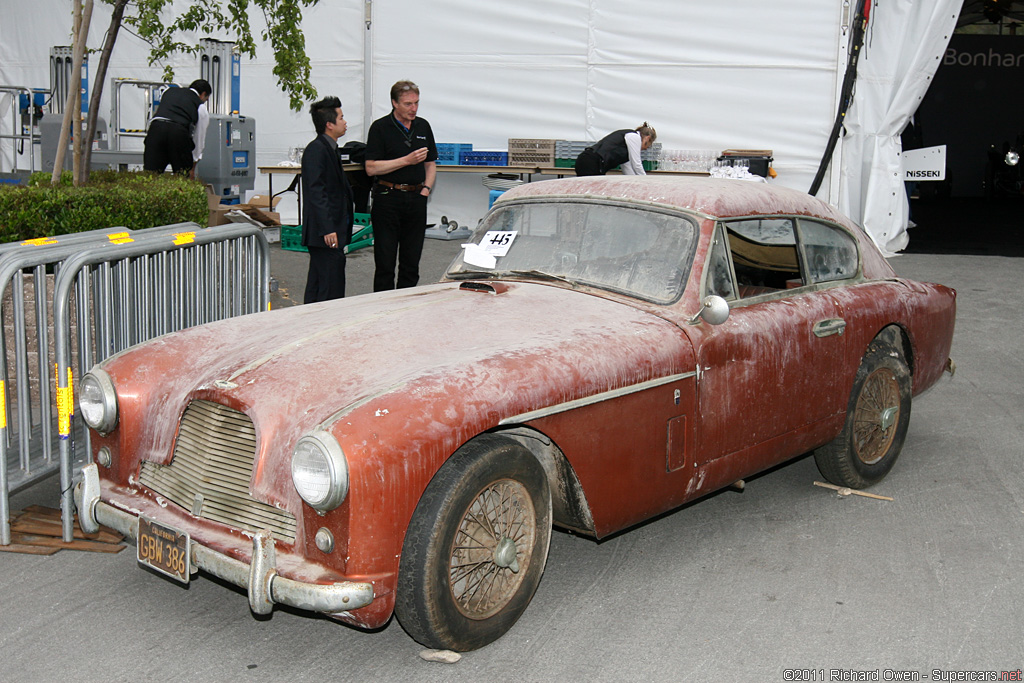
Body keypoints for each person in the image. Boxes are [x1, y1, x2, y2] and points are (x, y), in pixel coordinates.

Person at [364, 80, 438, 291]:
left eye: (416, 103)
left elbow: (430, 164)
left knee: (411, 262)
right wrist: (406, 160)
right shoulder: (380, 128)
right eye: (408, 104)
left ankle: (407, 306)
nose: (413, 109)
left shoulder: (423, 126)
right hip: (388, 197)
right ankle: (382, 306)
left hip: (416, 198)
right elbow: (371, 168)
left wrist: (426, 190)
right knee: (385, 262)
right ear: (395, 103)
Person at [300, 95, 354, 303]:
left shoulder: (330, 148)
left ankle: (310, 320)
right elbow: (316, 192)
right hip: (326, 233)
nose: (345, 122)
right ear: (329, 124)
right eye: (341, 117)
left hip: (332, 229)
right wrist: (327, 228)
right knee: (330, 286)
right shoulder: (316, 150)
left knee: (320, 281)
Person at [143, 79, 212, 175]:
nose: (205, 101)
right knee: (181, 176)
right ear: (203, 94)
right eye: (206, 99)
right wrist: (193, 164)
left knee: (151, 175)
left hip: (156, 130)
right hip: (178, 133)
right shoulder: (200, 107)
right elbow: (199, 138)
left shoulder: (168, 92)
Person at [574, 123, 657, 176]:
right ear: (647, 138)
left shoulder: (626, 148)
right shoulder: (634, 137)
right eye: (648, 146)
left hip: (588, 161)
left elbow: (629, 172)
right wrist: (646, 182)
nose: (645, 149)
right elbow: (637, 164)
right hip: (591, 162)